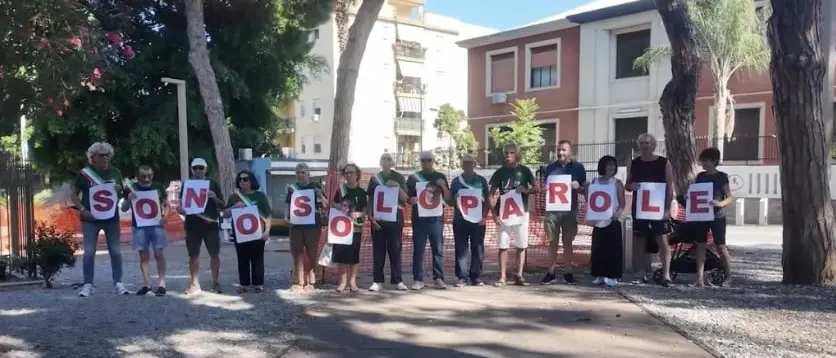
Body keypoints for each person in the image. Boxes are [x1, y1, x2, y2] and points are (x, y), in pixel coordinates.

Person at [71, 142, 130, 297]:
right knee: (89, 252)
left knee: (116, 251)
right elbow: (74, 195)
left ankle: (118, 283)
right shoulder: (84, 174)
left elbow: (122, 194)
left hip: (111, 218)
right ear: (93, 157)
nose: (105, 158)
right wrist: (83, 210)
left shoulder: (116, 172)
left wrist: (119, 190)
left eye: (107, 155)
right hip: (90, 219)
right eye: (101, 155)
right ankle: (88, 284)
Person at [625, 133, 675, 287]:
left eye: (647, 143)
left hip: (658, 209)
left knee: (662, 241)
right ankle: (640, 274)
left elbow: (670, 187)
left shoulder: (664, 162)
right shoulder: (633, 164)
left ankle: (666, 274)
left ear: (653, 145)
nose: (645, 146)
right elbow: (627, 184)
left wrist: (667, 209)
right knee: (639, 241)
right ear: (638, 146)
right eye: (641, 143)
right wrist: (630, 186)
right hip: (640, 208)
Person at [488, 143, 539, 287]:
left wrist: (526, 190)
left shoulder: (524, 171)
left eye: (511, 152)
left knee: (521, 245)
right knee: (503, 246)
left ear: (516, 154)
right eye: (506, 153)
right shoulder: (499, 173)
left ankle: (519, 275)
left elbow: (537, 188)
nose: (508, 155)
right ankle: (502, 276)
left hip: (521, 213)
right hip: (504, 214)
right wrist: (494, 213)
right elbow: (490, 194)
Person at [541, 140, 587, 285]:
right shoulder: (550, 168)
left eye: (564, 150)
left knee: (568, 242)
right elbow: (544, 186)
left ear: (570, 151)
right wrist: (545, 189)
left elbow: (584, 188)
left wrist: (578, 187)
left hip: (570, 211)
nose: (560, 153)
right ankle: (551, 272)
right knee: (552, 242)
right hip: (552, 210)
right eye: (559, 150)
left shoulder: (578, 168)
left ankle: (568, 273)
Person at [179, 158, 225, 294]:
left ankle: (216, 282)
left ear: (205, 169)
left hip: (210, 224)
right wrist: (181, 209)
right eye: (195, 168)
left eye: (201, 168)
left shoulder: (213, 184)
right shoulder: (186, 184)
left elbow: (222, 204)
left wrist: (214, 197)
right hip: (192, 224)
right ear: (191, 170)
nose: (198, 170)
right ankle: (194, 283)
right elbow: (182, 204)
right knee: (193, 255)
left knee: (214, 254)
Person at [121, 165, 168, 296]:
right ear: (138, 176)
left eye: (149, 176)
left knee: (159, 253)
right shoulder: (131, 188)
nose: (147, 179)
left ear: (153, 175)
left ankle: (162, 284)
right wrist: (128, 199)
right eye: (143, 176)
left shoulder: (158, 186)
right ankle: (147, 285)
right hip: (140, 225)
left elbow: (166, 204)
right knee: (143, 256)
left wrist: (166, 216)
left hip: (156, 224)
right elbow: (124, 208)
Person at [406, 151, 450, 290]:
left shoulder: (440, 176)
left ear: (433, 161)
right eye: (424, 160)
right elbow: (407, 198)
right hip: (419, 219)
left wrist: (443, 186)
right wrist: (411, 200)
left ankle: (438, 278)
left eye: (429, 160)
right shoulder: (413, 178)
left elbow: (448, 198)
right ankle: (418, 279)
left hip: (436, 219)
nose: (426, 162)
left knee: (438, 250)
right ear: (421, 161)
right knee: (418, 250)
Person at [690, 147, 733, 287]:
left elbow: (730, 197)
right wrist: (688, 197)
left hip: (717, 216)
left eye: (706, 160)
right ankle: (699, 279)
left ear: (714, 161)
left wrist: (719, 203)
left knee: (720, 246)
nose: (703, 163)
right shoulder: (701, 176)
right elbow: (696, 193)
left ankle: (728, 277)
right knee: (701, 245)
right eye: (702, 160)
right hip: (701, 215)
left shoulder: (722, 176)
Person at [367, 153, 409, 292]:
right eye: (383, 158)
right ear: (380, 162)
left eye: (389, 159)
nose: (386, 161)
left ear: (393, 163)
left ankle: (398, 280)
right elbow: (370, 199)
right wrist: (370, 216)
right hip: (378, 220)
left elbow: (406, 200)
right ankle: (377, 281)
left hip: (395, 220)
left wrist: (398, 187)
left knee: (395, 251)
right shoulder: (374, 178)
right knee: (378, 252)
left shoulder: (399, 177)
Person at [225, 170, 272, 293]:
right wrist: (234, 207)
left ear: (251, 180)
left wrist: (267, 231)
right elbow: (224, 214)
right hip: (240, 233)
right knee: (242, 259)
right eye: (240, 179)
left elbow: (267, 215)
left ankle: (258, 284)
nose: (242, 182)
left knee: (257, 258)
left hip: (257, 232)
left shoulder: (260, 196)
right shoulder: (234, 197)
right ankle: (244, 284)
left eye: (245, 179)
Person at [448, 153, 489, 287]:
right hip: (460, 221)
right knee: (461, 249)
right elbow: (449, 201)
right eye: (465, 162)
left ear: (474, 165)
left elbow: (487, 199)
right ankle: (462, 277)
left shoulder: (481, 181)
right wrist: (454, 198)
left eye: (470, 162)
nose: (467, 165)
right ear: (462, 165)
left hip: (478, 221)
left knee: (478, 249)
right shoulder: (456, 181)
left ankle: (475, 276)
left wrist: (485, 216)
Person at [286, 163, 327, 293]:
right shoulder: (292, 188)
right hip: (296, 225)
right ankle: (299, 281)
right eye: (298, 172)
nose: (300, 175)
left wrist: (320, 195)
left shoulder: (315, 186)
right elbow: (288, 205)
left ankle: (312, 281)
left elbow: (326, 205)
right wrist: (287, 217)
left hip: (312, 225)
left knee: (312, 252)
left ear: (308, 174)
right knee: (297, 251)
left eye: (303, 172)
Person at [588, 156, 626, 287]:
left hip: (612, 221)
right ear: (602, 166)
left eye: (613, 165)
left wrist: (617, 214)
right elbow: (591, 199)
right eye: (608, 164)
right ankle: (600, 275)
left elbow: (622, 203)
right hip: (598, 221)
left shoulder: (617, 183)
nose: (611, 167)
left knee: (613, 250)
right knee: (598, 249)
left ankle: (613, 276)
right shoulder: (595, 181)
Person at [332, 164, 367, 293]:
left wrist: (360, 214)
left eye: (351, 173)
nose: (348, 175)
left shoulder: (362, 192)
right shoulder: (340, 190)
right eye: (346, 173)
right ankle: (342, 282)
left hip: (356, 228)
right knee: (341, 255)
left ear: (357, 175)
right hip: (341, 228)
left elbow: (365, 209)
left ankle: (353, 282)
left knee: (354, 255)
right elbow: (334, 204)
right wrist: (338, 207)